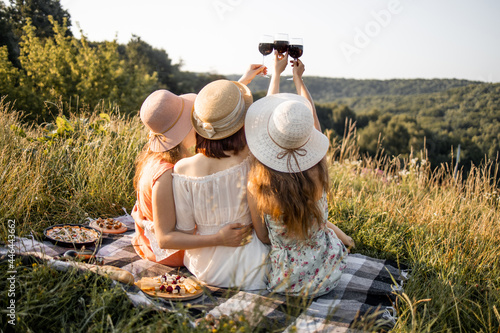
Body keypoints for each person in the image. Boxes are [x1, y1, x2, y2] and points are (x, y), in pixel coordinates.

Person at [131, 65, 266, 266]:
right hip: (171, 252)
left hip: (152, 240)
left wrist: (240, 84)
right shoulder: (166, 174)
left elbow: (217, 111)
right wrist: (219, 239)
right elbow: (165, 239)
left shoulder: (159, 158)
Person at [245, 56, 354, 297]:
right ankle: (346, 240)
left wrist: (275, 73)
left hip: (286, 282)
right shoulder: (318, 168)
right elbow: (311, 119)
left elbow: (263, 237)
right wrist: (298, 79)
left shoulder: (256, 183)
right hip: (328, 272)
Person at [172, 79, 269, 290]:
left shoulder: (182, 169)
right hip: (248, 267)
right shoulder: (251, 157)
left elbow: (185, 232)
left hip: (204, 268)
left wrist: (216, 238)